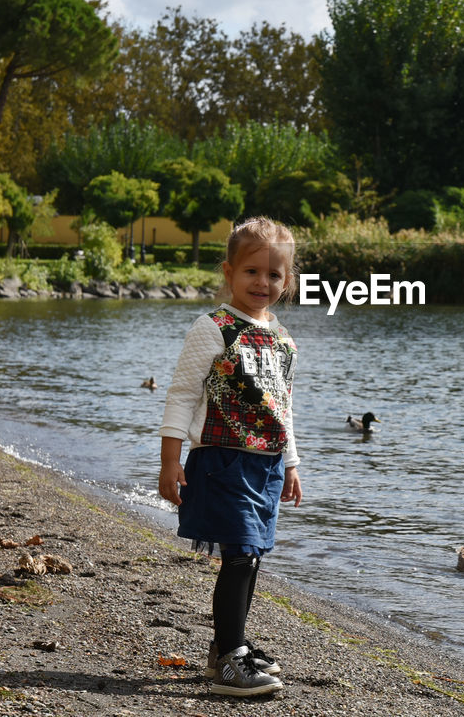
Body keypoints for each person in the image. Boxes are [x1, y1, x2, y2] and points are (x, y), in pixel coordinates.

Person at [158, 216, 303, 698]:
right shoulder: (214, 328)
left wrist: (291, 464)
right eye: (252, 272)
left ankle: (227, 649)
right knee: (239, 555)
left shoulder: (281, 336)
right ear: (229, 272)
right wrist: (169, 460)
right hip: (221, 460)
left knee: (252, 557)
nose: (263, 283)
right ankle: (231, 659)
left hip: (265, 465)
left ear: (288, 279)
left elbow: (283, 407)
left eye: (274, 275)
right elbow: (180, 395)